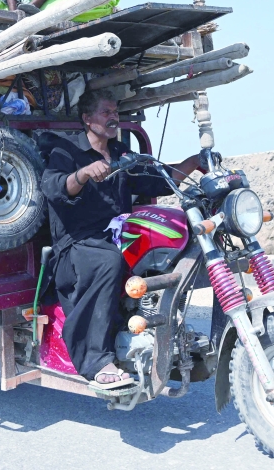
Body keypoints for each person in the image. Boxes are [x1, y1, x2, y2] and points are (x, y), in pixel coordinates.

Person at [39, 89, 200, 387]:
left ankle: (164, 331)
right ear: (87, 119)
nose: (113, 117)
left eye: (116, 112)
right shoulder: (67, 152)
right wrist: (84, 174)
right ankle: (96, 360)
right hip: (76, 246)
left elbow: (158, 178)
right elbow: (53, 187)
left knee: (169, 246)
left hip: (116, 237)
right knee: (109, 261)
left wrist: (194, 161)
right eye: (106, 112)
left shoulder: (122, 155)